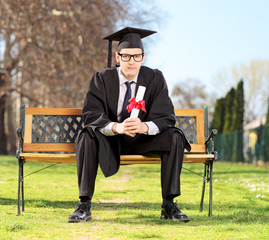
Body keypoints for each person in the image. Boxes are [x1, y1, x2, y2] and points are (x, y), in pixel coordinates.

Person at [68, 27, 191, 223]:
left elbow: (166, 116)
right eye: (126, 56)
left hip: (143, 140)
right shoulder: (101, 79)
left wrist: (144, 126)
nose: (131, 61)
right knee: (86, 135)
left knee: (175, 136)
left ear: (143, 57)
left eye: (136, 56)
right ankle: (84, 205)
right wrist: (116, 127)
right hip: (111, 139)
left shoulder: (155, 78)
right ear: (118, 57)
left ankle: (169, 203)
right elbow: (91, 114)